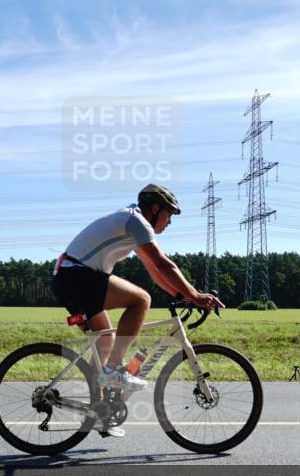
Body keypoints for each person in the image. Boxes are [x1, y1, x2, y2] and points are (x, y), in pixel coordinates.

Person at [50, 184, 225, 437]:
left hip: (68, 277)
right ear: (155, 209)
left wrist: (181, 296)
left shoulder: (132, 225)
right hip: (76, 275)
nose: (169, 222)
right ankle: (114, 370)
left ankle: (98, 411)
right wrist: (195, 296)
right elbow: (164, 265)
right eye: (169, 214)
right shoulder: (137, 222)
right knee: (141, 300)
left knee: (105, 340)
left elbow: (155, 272)